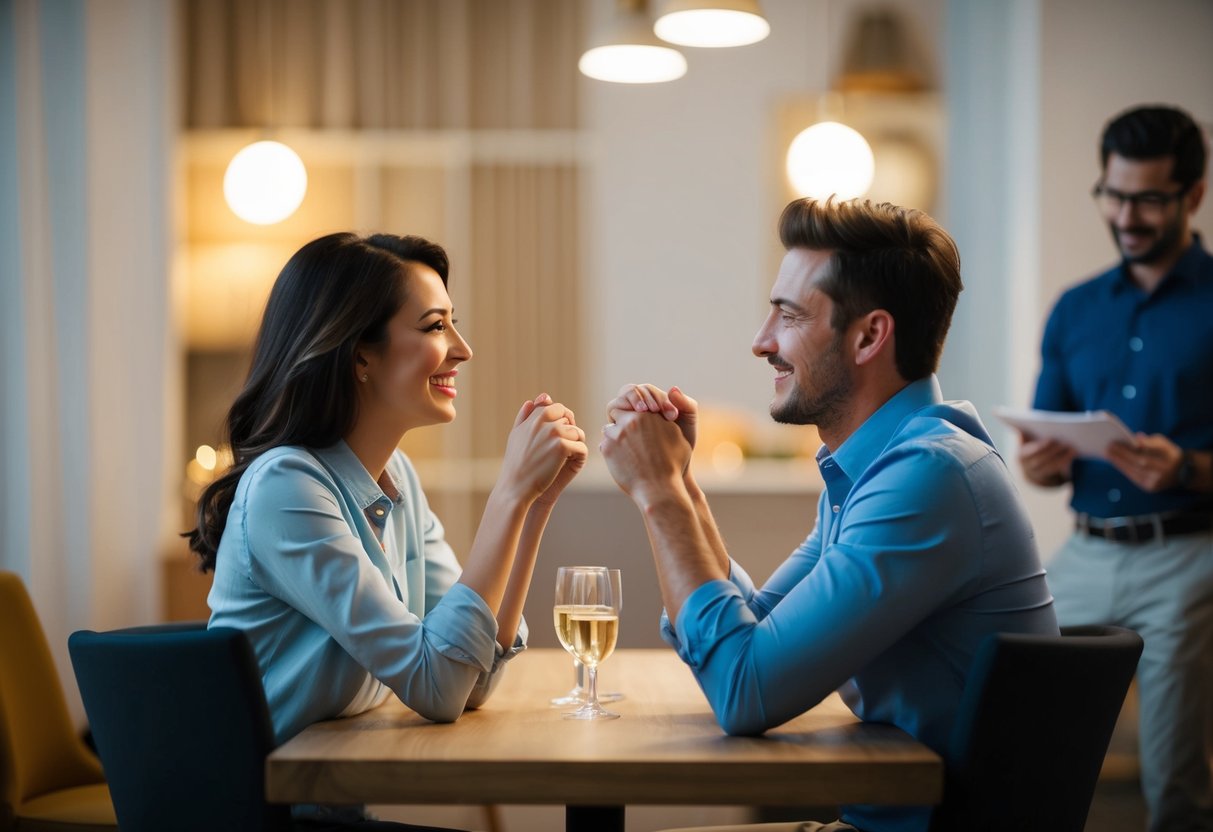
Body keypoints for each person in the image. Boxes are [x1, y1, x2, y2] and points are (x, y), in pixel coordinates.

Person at [599, 197, 1058, 832]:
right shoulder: (875, 468)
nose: (762, 342)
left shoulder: (929, 477)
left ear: (870, 335)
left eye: (788, 316)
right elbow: (758, 628)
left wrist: (659, 495)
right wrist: (680, 481)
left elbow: (742, 689)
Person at [188, 232, 587, 749]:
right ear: (360, 356)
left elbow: (471, 680)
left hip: (333, 802)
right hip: (261, 813)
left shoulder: (397, 477)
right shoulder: (286, 488)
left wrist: (534, 504)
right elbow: (438, 686)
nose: (463, 351)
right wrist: (508, 492)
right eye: (435, 327)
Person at [1018, 104, 1213, 832]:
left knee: (1174, 784)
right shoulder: (1073, 309)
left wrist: (1190, 468)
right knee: (1009, 720)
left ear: (1191, 196)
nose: (1125, 215)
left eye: (1148, 198)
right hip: (1085, 551)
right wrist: (1038, 466)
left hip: (1189, 559)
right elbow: (1045, 457)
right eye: (1113, 194)